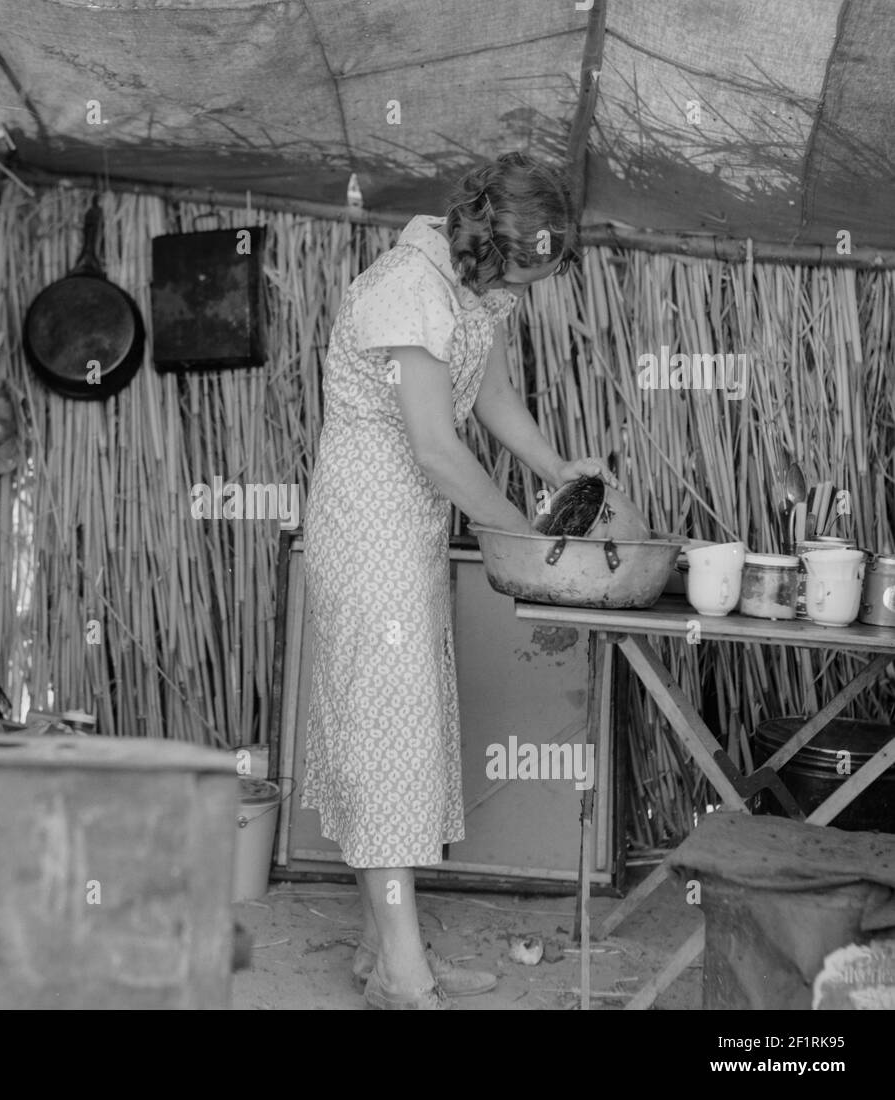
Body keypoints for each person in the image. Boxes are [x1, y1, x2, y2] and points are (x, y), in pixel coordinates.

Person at [300, 151, 618, 1009]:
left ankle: (380, 956)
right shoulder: (410, 288)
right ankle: (406, 978)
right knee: (382, 736)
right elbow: (438, 449)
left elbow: (491, 399)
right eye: (534, 270)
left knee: (402, 730)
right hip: (368, 529)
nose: (536, 288)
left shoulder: (475, 287)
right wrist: (520, 535)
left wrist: (558, 468)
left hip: (411, 530)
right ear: (496, 243)